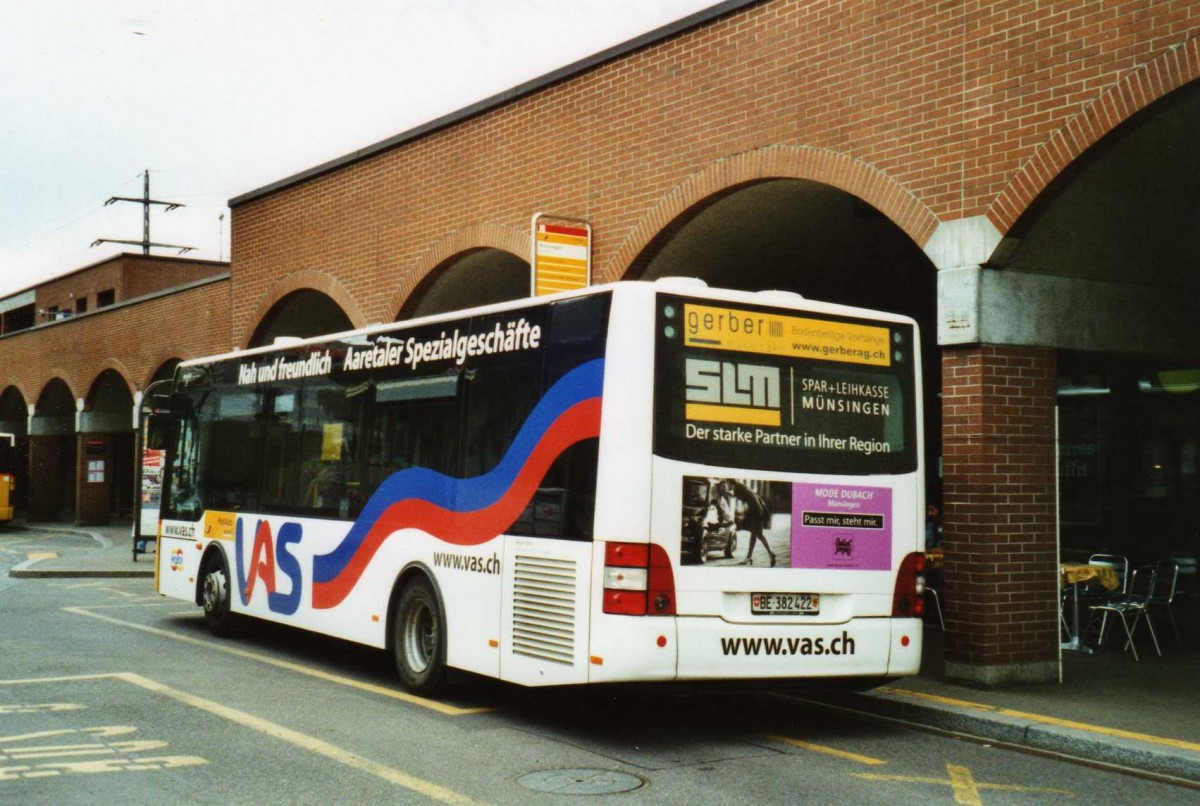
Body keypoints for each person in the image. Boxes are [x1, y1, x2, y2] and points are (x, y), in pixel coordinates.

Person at [717, 479, 776, 567]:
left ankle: (762, 554)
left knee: (756, 534)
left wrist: (725, 491)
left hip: (755, 510)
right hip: (758, 509)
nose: (728, 486)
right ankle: (756, 555)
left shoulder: (737, 487)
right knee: (757, 534)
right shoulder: (740, 486)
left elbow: (734, 495)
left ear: (730, 483)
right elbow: (741, 496)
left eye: (727, 484)